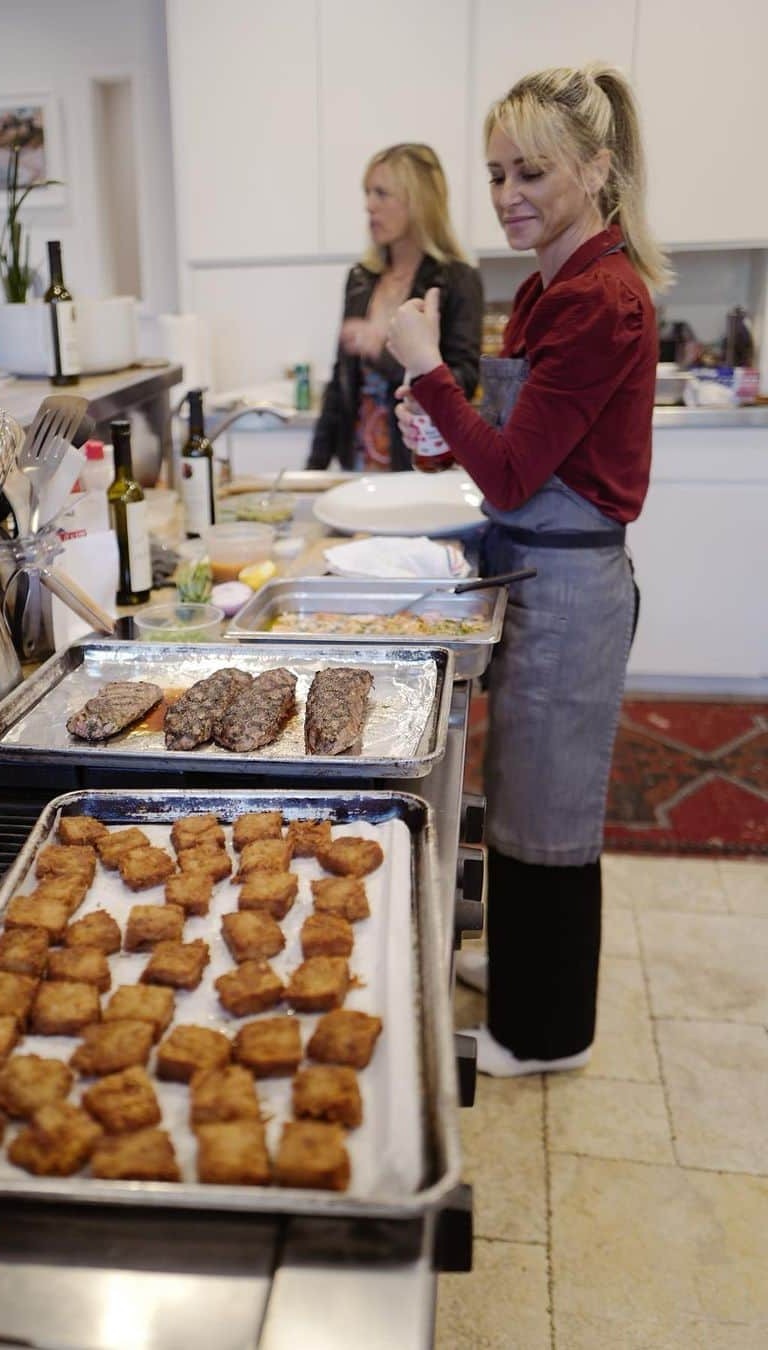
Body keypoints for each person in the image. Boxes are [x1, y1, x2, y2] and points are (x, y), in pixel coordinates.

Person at [387, 64, 668, 1076]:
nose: (509, 195)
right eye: (498, 173)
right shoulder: (551, 285)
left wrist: (427, 369)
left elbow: (507, 474)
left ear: (598, 169)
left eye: (533, 173)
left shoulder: (604, 299)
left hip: (571, 581)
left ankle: (546, 1034)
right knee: (516, 789)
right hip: (534, 571)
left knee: (552, 805)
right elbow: (493, 445)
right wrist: (432, 415)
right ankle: (518, 964)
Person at [308, 143, 482, 473]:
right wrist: (312, 470)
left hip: (419, 461)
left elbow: (464, 380)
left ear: (418, 201)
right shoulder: (360, 279)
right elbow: (339, 385)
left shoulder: (457, 280)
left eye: (381, 193)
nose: (368, 205)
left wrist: (382, 351)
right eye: (367, 193)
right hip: (359, 463)